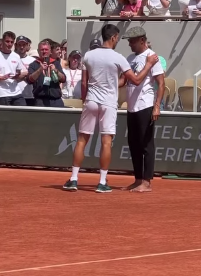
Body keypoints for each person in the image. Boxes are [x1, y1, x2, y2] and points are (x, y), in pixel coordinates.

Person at [62, 23, 159, 193]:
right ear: (113, 37)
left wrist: (85, 99)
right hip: (108, 103)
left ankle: (74, 179)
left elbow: (84, 82)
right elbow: (135, 80)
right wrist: (149, 64)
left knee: (82, 140)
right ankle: (101, 182)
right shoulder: (119, 57)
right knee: (106, 142)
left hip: (91, 100)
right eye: (118, 38)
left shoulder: (88, 55)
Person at [122, 26, 165, 193]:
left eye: (132, 41)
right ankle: (138, 178)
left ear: (141, 40)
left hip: (145, 105)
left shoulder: (152, 57)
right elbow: (125, 81)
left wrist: (157, 106)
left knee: (146, 144)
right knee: (133, 144)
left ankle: (147, 181)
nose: (130, 44)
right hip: (131, 107)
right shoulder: (130, 57)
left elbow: (161, 83)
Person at [0, 31, 27, 106]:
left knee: (23, 114)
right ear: (2, 41)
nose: (9, 44)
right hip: (2, 93)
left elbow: (19, 74)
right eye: (7, 41)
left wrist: (18, 76)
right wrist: (1, 77)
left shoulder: (16, 56)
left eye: (11, 42)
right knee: (6, 117)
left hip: (16, 92)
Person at [27, 39, 66, 107]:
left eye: (46, 49)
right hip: (40, 101)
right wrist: (40, 70)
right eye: (42, 50)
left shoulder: (56, 63)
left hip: (56, 100)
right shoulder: (33, 64)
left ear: (50, 51)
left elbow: (63, 79)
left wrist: (55, 70)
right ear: (38, 51)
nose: (44, 52)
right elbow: (30, 80)